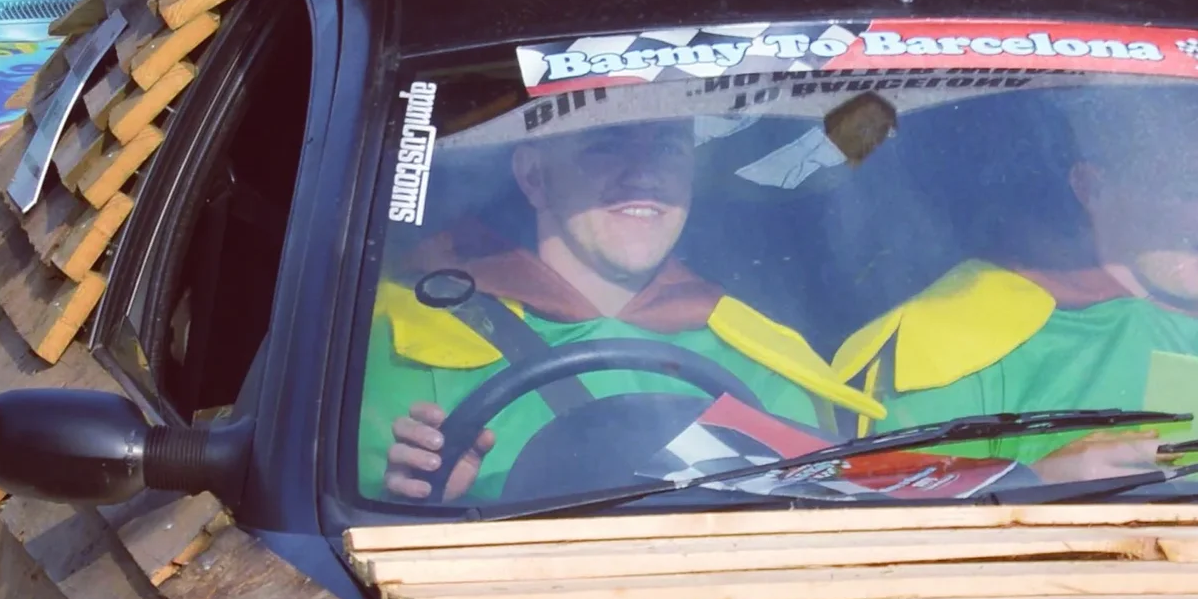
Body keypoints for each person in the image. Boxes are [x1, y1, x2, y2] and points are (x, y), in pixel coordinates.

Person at [832, 90, 1198, 484]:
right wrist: (1038, 483)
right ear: (1092, 189)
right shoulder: (951, 347)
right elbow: (879, 542)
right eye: (1196, 184)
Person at [363, 113, 869, 504]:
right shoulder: (404, 343)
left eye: (668, 147)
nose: (644, 175)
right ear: (534, 177)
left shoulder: (769, 361)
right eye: (606, 145)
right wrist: (415, 503)